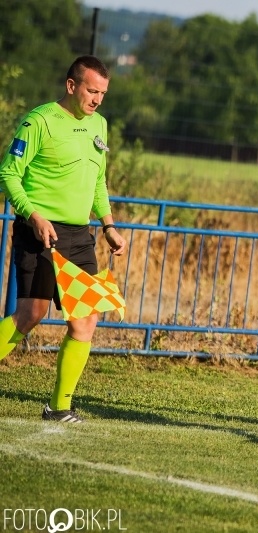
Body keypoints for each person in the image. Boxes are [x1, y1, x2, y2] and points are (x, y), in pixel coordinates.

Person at [0, 55, 127, 423]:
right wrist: (33, 215)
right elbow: (9, 173)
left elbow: (98, 181)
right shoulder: (39, 121)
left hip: (79, 236)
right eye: (92, 90)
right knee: (30, 314)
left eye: (103, 93)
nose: (97, 99)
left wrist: (108, 225)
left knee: (84, 321)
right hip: (39, 231)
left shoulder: (99, 124)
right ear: (72, 86)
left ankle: (59, 407)